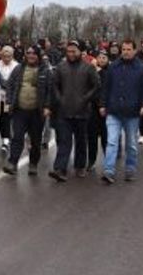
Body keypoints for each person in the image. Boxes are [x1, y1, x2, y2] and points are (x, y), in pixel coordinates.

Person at [100, 39, 143, 184]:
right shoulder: (113, 67)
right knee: (111, 142)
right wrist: (102, 105)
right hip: (114, 111)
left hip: (132, 112)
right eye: (123, 49)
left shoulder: (142, 68)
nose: (126, 52)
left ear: (134, 51)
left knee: (131, 144)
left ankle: (130, 168)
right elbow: (106, 87)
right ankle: (108, 170)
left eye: (129, 49)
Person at [48, 40, 100, 182]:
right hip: (64, 110)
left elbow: (96, 85)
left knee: (81, 140)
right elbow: (54, 85)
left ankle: (80, 166)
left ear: (80, 52)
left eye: (73, 51)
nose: (71, 54)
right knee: (64, 141)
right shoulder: (61, 67)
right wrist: (60, 99)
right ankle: (60, 168)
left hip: (82, 111)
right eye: (69, 51)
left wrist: (85, 98)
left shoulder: (88, 67)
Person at [3, 46, 51, 176]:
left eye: (34, 53)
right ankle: (12, 163)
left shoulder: (45, 71)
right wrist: (9, 101)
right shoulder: (19, 69)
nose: (31, 55)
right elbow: (10, 85)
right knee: (17, 137)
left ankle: (33, 164)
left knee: (35, 140)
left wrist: (47, 107)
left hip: (37, 112)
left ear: (38, 55)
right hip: (20, 110)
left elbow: (50, 91)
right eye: (28, 53)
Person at [86, 50, 109, 172]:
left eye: (104, 57)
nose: (101, 60)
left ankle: (108, 161)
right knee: (92, 136)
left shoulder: (109, 72)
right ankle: (91, 160)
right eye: (99, 57)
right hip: (92, 109)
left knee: (106, 137)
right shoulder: (91, 72)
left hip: (106, 109)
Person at [0, 45, 19, 154]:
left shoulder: (16, 66)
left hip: (10, 96)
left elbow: (17, 80)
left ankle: (7, 139)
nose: (6, 58)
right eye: (4, 56)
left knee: (7, 118)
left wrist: (8, 84)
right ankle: (0, 137)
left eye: (8, 56)